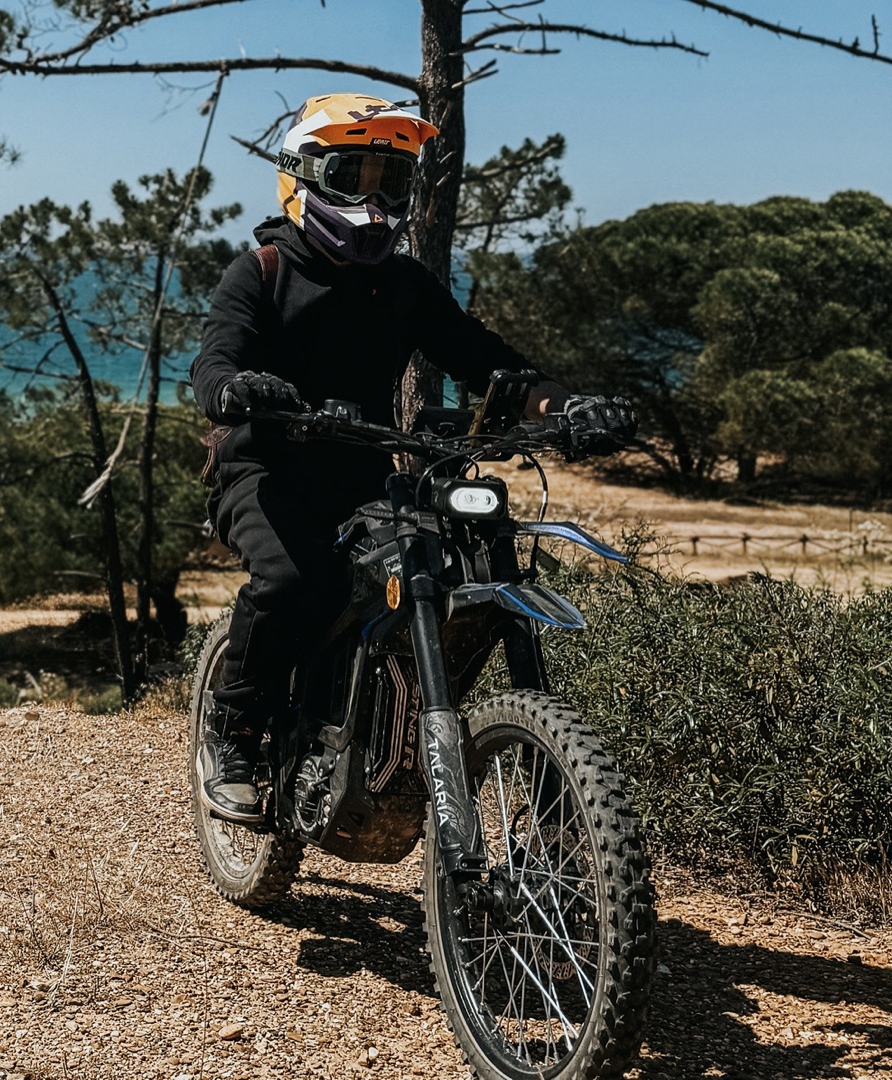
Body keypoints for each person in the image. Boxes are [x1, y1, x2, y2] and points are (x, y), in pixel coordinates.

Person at [188, 93, 631, 823]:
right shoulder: (261, 272)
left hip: (364, 472)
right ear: (301, 177)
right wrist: (239, 389)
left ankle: (378, 728)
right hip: (263, 469)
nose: (370, 198)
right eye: (350, 175)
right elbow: (213, 366)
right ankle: (234, 734)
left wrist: (567, 408)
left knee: (439, 566)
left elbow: (488, 362)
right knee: (293, 580)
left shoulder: (403, 286)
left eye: (388, 182)